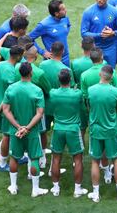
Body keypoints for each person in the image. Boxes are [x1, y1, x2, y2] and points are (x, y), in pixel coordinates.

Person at [2, 62, 48, 197]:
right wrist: (27, 128)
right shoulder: (37, 90)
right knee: (34, 158)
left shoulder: (11, 89)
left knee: (14, 158)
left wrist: (18, 127)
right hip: (32, 132)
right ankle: (35, 189)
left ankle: (13, 186)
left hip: (15, 131)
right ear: (31, 73)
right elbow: (39, 113)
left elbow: (5, 110)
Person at [87, 65, 117, 203]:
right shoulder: (116, 91)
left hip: (95, 130)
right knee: (116, 160)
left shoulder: (91, 90)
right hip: (111, 130)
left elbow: (89, 106)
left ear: (100, 74)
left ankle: (95, 194)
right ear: (111, 77)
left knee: (95, 161)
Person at [80, 47, 117, 183]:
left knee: (96, 156)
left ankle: (103, 178)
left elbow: (85, 98)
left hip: (95, 118)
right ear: (102, 57)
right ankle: (108, 174)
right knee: (114, 154)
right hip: (109, 118)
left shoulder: (84, 75)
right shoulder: (112, 72)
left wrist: (90, 111)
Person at [47, 69, 88, 197]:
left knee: (56, 159)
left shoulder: (53, 93)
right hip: (73, 130)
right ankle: (77, 190)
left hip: (58, 129)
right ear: (70, 79)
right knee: (78, 159)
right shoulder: (77, 94)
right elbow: (83, 107)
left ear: (59, 80)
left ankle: (55, 188)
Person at [39, 42, 75, 169]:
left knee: (43, 130)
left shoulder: (42, 65)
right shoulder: (66, 70)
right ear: (63, 52)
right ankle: (53, 166)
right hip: (59, 107)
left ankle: (42, 157)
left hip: (44, 105)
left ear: (50, 50)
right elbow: (72, 88)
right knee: (57, 132)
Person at [0, 46, 24, 172]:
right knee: (7, 136)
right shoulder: (11, 71)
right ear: (19, 56)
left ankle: (16, 156)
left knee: (11, 134)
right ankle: (3, 164)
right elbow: (8, 95)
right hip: (6, 110)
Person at [81, 0, 117, 67]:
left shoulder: (114, 11)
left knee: (110, 72)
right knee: (95, 74)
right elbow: (83, 33)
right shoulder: (88, 12)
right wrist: (100, 35)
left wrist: (113, 33)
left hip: (110, 48)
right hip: (94, 49)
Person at [29, 0, 71, 66]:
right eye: (63, 9)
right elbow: (29, 38)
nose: (66, 11)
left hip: (66, 58)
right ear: (56, 13)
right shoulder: (44, 25)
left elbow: (68, 25)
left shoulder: (65, 18)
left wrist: (63, 33)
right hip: (52, 60)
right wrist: (42, 52)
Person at [71, 37, 96, 139]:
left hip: (81, 97)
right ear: (93, 46)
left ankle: (80, 148)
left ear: (81, 46)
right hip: (97, 96)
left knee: (82, 126)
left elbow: (73, 83)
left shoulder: (75, 63)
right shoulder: (101, 62)